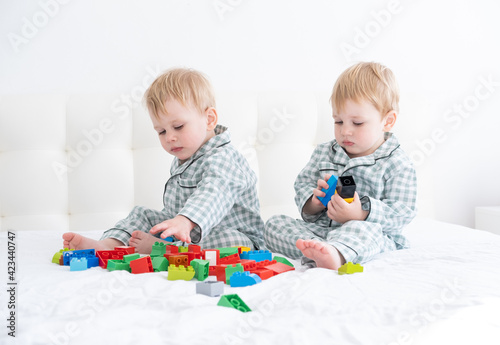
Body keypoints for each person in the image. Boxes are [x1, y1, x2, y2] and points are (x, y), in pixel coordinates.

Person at [63, 68, 265, 254]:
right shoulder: (185, 158)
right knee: (142, 214)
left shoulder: (224, 158)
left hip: (235, 236)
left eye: (178, 127)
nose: (169, 137)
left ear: (210, 119)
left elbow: (214, 192)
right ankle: (108, 244)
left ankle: (167, 249)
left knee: (233, 241)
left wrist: (185, 220)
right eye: (161, 131)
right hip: (185, 229)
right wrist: (172, 224)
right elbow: (172, 211)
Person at [264, 62, 417, 270]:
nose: (345, 131)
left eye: (357, 123)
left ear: (387, 121)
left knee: (364, 232)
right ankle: (321, 250)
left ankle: (336, 253)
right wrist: (314, 201)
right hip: (321, 230)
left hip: (367, 232)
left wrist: (360, 214)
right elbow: (302, 186)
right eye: (338, 122)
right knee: (274, 224)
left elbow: (402, 212)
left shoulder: (397, 163)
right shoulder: (324, 152)